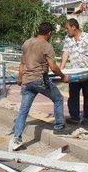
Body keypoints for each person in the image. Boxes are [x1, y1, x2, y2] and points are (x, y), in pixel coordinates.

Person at [9, 22, 70, 151]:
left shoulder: (27, 43)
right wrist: (63, 77)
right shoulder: (47, 46)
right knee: (58, 98)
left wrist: (20, 79)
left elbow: (22, 63)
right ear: (49, 33)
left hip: (27, 81)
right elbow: (53, 66)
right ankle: (59, 127)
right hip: (39, 80)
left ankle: (16, 139)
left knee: (23, 110)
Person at [60, 18, 88, 125]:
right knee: (73, 94)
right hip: (74, 73)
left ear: (74, 27)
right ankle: (75, 117)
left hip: (87, 72)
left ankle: (87, 117)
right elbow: (65, 52)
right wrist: (61, 68)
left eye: (67, 28)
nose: (66, 30)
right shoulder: (68, 38)